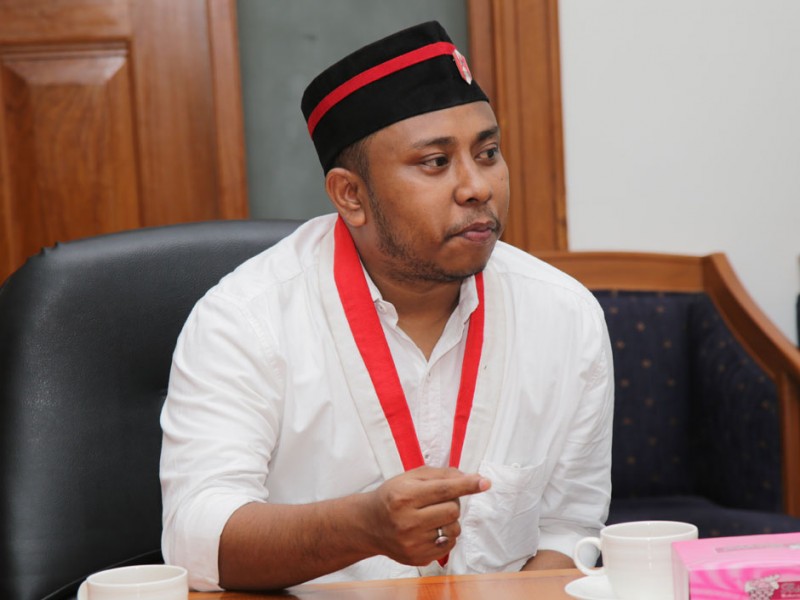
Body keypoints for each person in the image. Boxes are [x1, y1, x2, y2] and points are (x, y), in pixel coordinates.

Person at [159, 20, 614, 592]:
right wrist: (361, 528)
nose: (477, 187)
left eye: (488, 153)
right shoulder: (246, 319)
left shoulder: (565, 315)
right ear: (351, 195)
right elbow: (196, 537)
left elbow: (570, 529)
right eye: (435, 162)